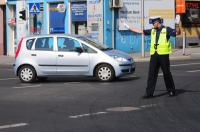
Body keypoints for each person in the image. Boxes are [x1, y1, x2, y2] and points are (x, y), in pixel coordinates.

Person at [124, 16, 180, 98]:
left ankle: (171, 91)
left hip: (163, 55)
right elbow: (141, 31)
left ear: (158, 22)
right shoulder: (153, 30)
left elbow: (177, 33)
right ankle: (149, 93)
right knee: (152, 74)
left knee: (166, 73)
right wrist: (129, 28)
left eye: (153, 23)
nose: (153, 24)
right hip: (154, 55)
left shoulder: (166, 29)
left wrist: (178, 24)